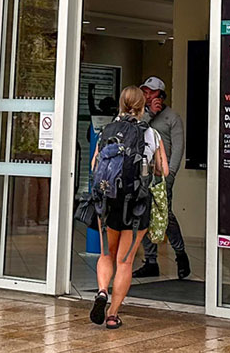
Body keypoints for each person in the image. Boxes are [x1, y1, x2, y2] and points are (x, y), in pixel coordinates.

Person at [89, 85, 167, 330]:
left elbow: (94, 166)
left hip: (108, 204)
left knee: (106, 255)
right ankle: (112, 314)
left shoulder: (106, 131)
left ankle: (102, 291)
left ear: (121, 105)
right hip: (137, 207)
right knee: (125, 262)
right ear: (142, 107)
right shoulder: (152, 134)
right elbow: (163, 170)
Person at [134, 76, 189, 280]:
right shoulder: (140, 115)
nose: (147, 95)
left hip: (162, 175)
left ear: (161, 95)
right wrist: (149, 114)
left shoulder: (172, 118)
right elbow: (136, 133)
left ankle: (180, 254)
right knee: (143, 214)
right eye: (145, 91)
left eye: (151, 92)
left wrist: (171, 174)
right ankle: (150, 261)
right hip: (142, 174)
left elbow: (178, 148)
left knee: (165, 217)